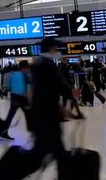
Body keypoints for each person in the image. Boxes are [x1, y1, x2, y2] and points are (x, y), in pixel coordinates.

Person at [29, 38, 73, 171]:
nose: (57, 51)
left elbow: (39, 90)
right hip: (48, 113)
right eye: (55, 48)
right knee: (57, 149)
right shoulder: (48, 64)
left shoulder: (38, 63)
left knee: (44, 148)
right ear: (50, 49)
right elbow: (56, 85)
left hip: (40, 112)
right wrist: (68, 98)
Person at [0, 61, 31, 140]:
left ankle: (4, 132)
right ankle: (34, 132)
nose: (28, 69)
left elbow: (9, 87)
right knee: (29, 115)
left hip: (14, 97)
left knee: (10, 115)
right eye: (27, 68)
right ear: (24, 68)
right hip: (22, 97)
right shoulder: (24, 75)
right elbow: (25, 88)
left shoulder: (13, 75)